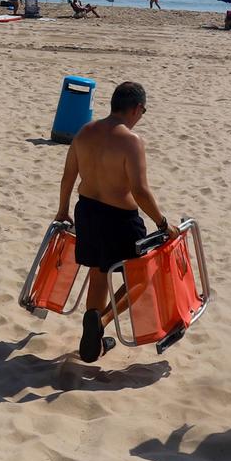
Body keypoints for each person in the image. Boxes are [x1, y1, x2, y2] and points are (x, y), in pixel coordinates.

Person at [54, 82, 169, 363]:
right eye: (143, 111)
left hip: (87, 211)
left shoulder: (85, 131)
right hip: (120, 218)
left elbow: (68, 176)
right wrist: (162, 222)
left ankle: (91, 341)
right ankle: (102, 321)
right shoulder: (131, 140)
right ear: (136, 108)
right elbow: (140, 191)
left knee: (99, 271)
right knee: (142, 277)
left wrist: (62, 210)